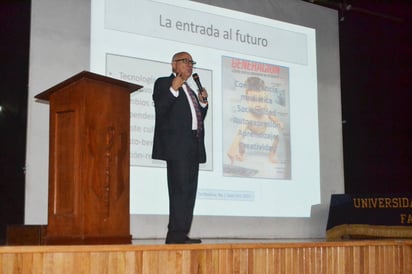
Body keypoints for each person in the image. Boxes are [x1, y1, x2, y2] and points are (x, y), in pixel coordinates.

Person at [152, 52, 208, 244]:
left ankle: (182, 233)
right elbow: (161, 108)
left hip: (193, 146)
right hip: (177, 148)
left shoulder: (190, 90)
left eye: (192, 62)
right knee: (179, 192)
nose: (189, 65)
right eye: (185, 61)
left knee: (189, 193)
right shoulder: (163, 83)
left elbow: (196, 117)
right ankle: (174, 236)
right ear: (173, 65)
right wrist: (172, 90)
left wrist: (202, 102)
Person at [227, 76, 283, 164]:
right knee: (241, 140)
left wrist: (278, 121)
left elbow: (272, 116)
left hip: (265, 132)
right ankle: (241, 154)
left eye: (261, 100)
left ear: (266, 97)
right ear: (247, 98)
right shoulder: (248, 116)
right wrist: (232, 149)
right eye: (253, 100)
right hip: (251, 134)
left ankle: (272, 154)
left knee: (276, 136)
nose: (257, 104)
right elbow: (239, 133)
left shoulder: (266, 108)